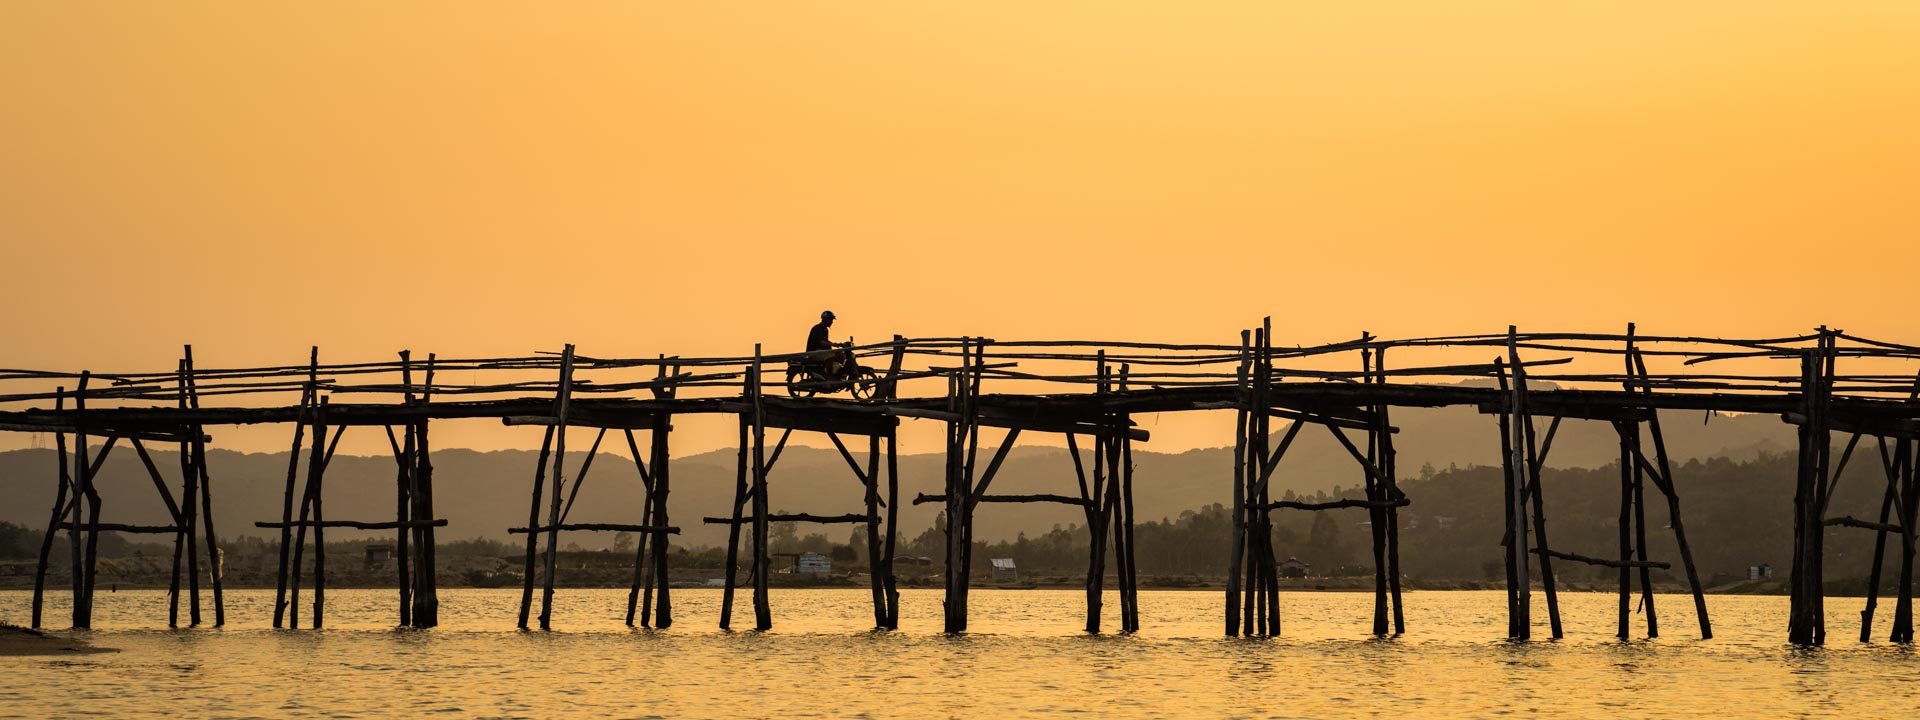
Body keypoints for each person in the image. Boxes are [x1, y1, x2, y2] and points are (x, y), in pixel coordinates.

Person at [807, 310, 845, 379]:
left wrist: (837, 344)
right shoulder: (817, 328)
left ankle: (836, 374)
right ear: (825, 320)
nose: (832, 322)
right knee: (830, 355)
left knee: (841, 354)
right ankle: (829, 377)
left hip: (821, 351)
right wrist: (833, 345)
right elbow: (821, 342)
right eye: (830, 320)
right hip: (813, 352)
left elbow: (826, 341)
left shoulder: (825, 330)